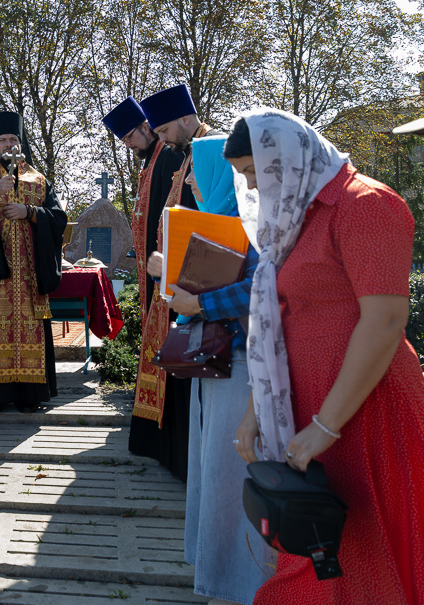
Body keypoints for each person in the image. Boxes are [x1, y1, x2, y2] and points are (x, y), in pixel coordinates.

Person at [228, 109, 424, 603]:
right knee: (325, 551)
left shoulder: (366, 204)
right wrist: (256, 412)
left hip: (366, 409)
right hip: (316, 409)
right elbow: (284, 323)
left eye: (256, 171)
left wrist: (325, 426)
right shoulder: (298, 214)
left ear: (289, 156)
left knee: (370, 544)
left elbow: (383, 323)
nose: (252, 186)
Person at [146, 136, 272, 605]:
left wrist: (197, 299)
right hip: (217, 359)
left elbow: (258, 287)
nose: (191, 181)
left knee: (230, 475)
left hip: (241, 361)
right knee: (213, 472)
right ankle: (219, 573)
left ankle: (241, 580)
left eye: (197, 172)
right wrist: (168, 275)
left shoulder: (252, 221)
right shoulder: (214, 218)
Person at [128, 83, 219, 482]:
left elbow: (216, 220)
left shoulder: (212, 150)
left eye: (163, 131)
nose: (160, 139)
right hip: (175, 279)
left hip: (199, 284)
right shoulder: (185, 157)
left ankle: (189, 463)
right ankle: (177, 458)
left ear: (186, 119)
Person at [103, 96, 192, 472]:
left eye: (130, 137)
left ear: (146, 127)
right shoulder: (152, 162)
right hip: (156, 274)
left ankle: (165, 437)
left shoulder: (172, 157)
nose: (129, 144)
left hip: (172, 275)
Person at [0, 111, 67, 413]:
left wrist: (30, 212)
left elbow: (58, 218)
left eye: (13, 139)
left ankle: (29, 397)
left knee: (30, 332)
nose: (8, 144)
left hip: (29, 279)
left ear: (21, 143)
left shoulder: (38, 179)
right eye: (3, 139)